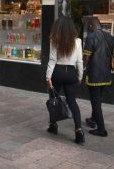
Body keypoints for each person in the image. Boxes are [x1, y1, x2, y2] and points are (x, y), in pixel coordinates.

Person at [46, 16, 84, 145]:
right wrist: (80, 76)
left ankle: (53, 125)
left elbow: (52, 60)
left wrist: (48, 77)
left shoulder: (54, 40)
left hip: (57, 72)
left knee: (54, 100)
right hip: (72, 73)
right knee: (72, 102)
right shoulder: (78, 41)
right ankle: (79, 131)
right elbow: (80, 61)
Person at [83, 17, 114, 137]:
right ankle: (93, 119)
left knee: (95, 102)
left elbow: (86, 58)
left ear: (91, 26)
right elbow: (113, 55)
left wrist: (80, 69)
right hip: (106, 74)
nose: (87, 28)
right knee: (98, 99)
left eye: (88, 26)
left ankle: (101, 129)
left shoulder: (91, 37)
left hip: (94, 75)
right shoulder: (110, 37)